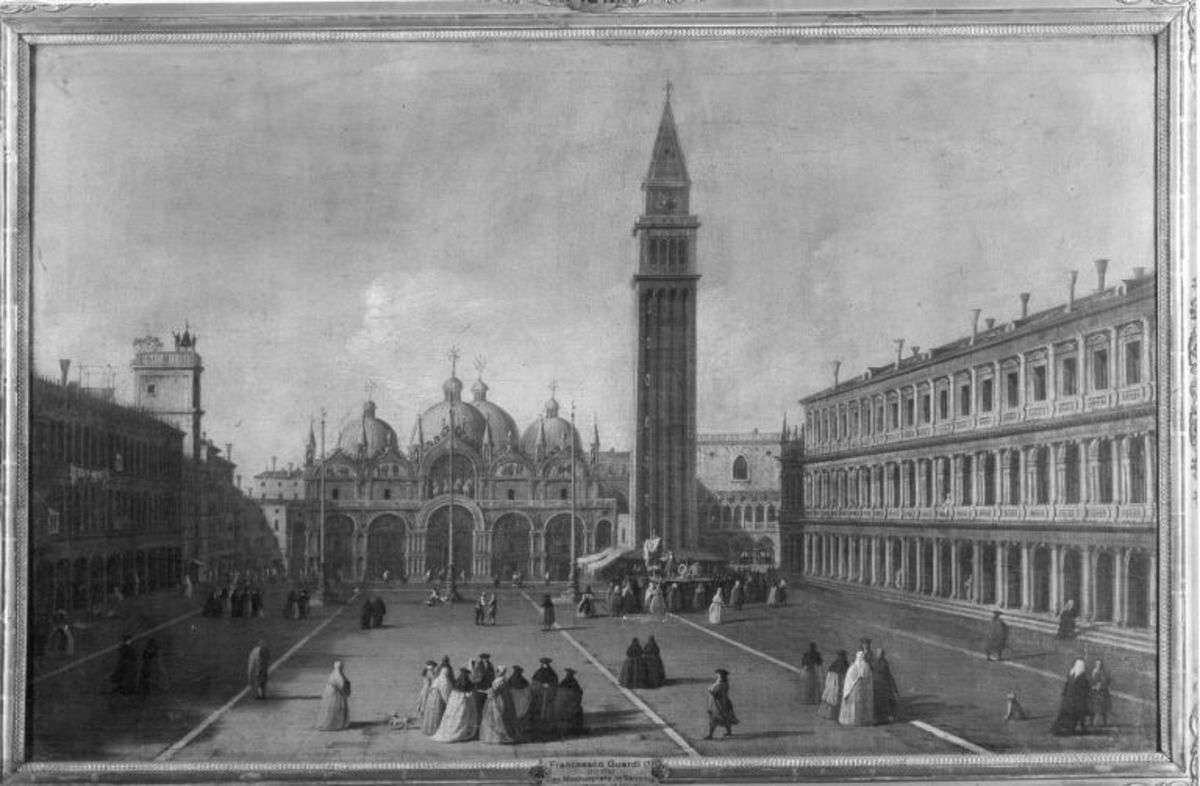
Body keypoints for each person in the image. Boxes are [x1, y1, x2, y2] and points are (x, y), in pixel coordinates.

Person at [433, 667, 481, 742]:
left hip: (455, 705)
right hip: (462, 704)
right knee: (462, 717)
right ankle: (459, 733)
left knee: (455, 718)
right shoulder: (466, 683)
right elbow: (468, 694)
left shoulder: (457, 683)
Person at [479, 667, 520, 744]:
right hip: (499, 699)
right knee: (495, 717)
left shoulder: (501, 680)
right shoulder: (502, 680)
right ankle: (496, 736)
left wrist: (487, 692)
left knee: (497, 716)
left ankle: (499, 737)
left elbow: (496, 691)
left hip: (498, 700)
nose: (496, 672)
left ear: (501, 672)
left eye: (498, 671)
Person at [1052, 658, 1091, 735]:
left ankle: (1074, 729)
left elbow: (1085, 689)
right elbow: (1067, 685)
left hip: (1076, 700)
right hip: (1071, 699)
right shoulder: (1073, 674)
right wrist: (1065, 693)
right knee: (1072, 715)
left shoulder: (1080, 676)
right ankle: (1068, 729)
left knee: (1076, 716)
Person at [839, 651, 875, 726]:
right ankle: (861, 721)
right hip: (862, 689)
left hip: (856, 689)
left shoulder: (854, 666)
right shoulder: (866, 666)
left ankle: (855, 721)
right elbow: (868, 678)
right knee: (860, 703)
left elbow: (849, 679)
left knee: (855, 704)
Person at [316, 661, 352, 731]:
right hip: (335, 694)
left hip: (332, 693)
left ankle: (332, 723)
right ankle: (334, 724)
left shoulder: (333, 674)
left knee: (331, 708)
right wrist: (346, 691)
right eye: (341, 667)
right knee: (335, 708)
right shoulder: (338, 675)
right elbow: (341, 685)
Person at [421, 658, 453, 735]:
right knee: (434, 710)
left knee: (430, 710)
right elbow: (429, 684)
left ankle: (430, 728)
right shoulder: (433, 674)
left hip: (432, 691)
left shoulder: (434, 674)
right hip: (432, 691)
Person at [704, 669, 738, 739]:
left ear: (721, 676)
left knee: (714, 718)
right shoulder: (725, 683)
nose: (717, 676)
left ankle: (710, 735)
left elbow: (714, 693)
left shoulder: (720, 684)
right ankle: (729, 732)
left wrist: (710, 690)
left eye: (719, 675)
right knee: (726, 717)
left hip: (718, 703)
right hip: (724, 702)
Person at [530, 657, 559, 738]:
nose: (545, 665)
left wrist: (549, 686)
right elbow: (534, 684)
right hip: (539, 696)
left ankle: (548, 730)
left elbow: (555, 683)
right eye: (544, 663)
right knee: (539, 711)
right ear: (542, 664)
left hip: (548, 696)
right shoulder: (538, 672)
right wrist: (541, 685)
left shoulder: (552, 673)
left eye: (546, 664)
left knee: (548, 712)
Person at [553, 667, 586, 737]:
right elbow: (579, 694)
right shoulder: (574, 683)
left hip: (562, 705)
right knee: (578, 711)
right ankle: (576, 730)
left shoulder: (563, 682)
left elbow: (558, 693)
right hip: (569, 706)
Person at [819, 650, 850, 720]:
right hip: (836, 682)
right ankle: (833, 715)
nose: (844, 657)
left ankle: (834, 715)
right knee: (834, 697)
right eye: (843, 656)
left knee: (834, 696)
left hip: (837, 682)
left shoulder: (838, 663)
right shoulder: (840, 663)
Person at [873, 650, 899, 723]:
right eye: (878, 653)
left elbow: (888, 675)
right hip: (877, 685)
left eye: (881, 654)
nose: (880, 655)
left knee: (888, 701)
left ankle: (887, 717)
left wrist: (894, 689)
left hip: (883, 685)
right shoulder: (874, 662)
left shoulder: (884, 663)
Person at [507, 664, 533, 737]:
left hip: (518, 702)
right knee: (518, 717)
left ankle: (517, 731)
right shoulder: (521, 680)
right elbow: (528, 692)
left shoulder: (512, 680)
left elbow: (528, 692)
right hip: (517, 702)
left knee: (518, 717)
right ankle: (516, 731)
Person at [1088, 659, 1112, 728]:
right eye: (1097, 664)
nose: (1098, 665)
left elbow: (1106, 682)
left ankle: (1099, 723)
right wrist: (1092, 686)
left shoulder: (1103, 673)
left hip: (1101, 693)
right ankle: (1091, 723)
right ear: (1095, 664)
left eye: (1100, 664)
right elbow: (1090, 681)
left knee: (1101, 709)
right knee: (1092, 708)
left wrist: (1100, 685)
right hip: (1093, 692)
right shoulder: (1092, 671)